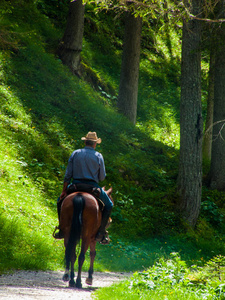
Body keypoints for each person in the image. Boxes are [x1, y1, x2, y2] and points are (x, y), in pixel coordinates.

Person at [53, 131, 113, 244]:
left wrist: (64, 190)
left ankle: (61, 229)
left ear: (85, 142)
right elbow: (102, 178)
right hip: (92, 187)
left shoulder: (75, 153)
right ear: (95, 144)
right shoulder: (98, 156)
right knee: (109, 205)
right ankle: (101, 233)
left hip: (75, 185)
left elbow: (67, 175)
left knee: (59, 201)